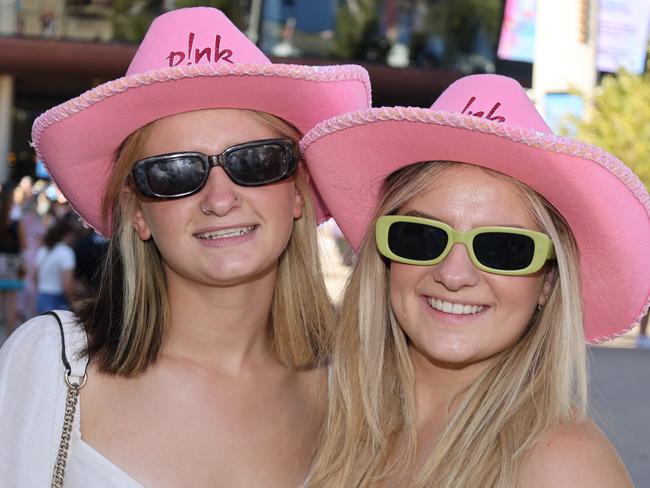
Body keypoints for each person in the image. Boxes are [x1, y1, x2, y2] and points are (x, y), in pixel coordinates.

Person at [0, 7, 370, 487]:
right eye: (175, 172)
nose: (219, 199)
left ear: (297, 190)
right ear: (138, 213)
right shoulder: (53, 365)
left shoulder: (355, 385)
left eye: (256, 161)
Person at [300, 74, 649, 487]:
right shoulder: (322, 416)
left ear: (549, 281)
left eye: (503, 248)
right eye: (421, 237)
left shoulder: (565, 467)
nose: (453, 274)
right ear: (386, 256)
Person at [35, 218, 77, 313]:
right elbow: (67, 285)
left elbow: (35, 275)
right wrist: (73, 303)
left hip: (41, 297)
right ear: (68, 234)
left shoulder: (43, 250)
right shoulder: (67, 252)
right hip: (58, 300)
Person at [0, 183, 24, 338]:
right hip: (13, 264)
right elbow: (23, 242)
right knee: (11, 310)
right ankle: (6, 344)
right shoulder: (17, 216)